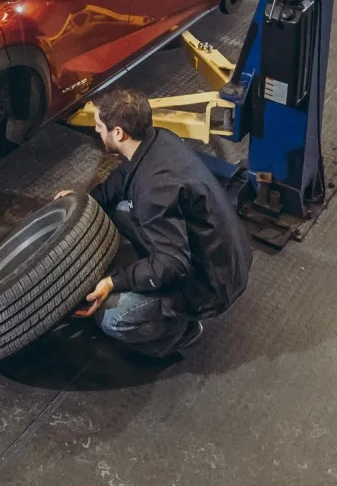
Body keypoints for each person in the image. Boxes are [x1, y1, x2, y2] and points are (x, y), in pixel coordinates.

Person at [61, 88, 252, 358]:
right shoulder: (157, 139)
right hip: (223, 251)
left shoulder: (153, 191)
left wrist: (114, 282)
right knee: (120, 208)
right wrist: (83, 201)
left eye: (99, 126)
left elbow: (173, 265)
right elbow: (121, 177)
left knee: (111, 317)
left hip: (211, 284)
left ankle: (179, 333)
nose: (95, 130)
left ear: (119, 133)